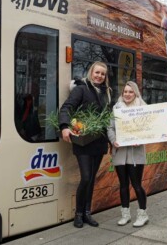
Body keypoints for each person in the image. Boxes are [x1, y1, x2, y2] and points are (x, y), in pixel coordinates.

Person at [59, 61, 112, 228]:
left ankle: (88, 213)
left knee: (91, 179)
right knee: (86, 177)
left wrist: (114, 140)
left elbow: (110, 118)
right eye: (97, 73)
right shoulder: (81, 89)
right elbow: (67, 107)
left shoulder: (108, 93)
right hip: (83, 142)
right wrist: (65, 127)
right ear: (91, 72)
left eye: (102, 74)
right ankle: (78, 214)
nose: (99, 76)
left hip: (99, 141)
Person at [107, 81, 149, 227]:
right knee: (123, 185)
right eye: (125, 91)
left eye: (130, 92)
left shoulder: (143, 108)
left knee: (137, 185)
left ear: (135, 93)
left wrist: (140, 139)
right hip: (120, 153)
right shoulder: (116, 108)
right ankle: (125, 215)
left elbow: (148, 129)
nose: (127, 94)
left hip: (136, 154)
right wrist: (113, 141)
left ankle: (143, 214)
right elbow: (110, 128)